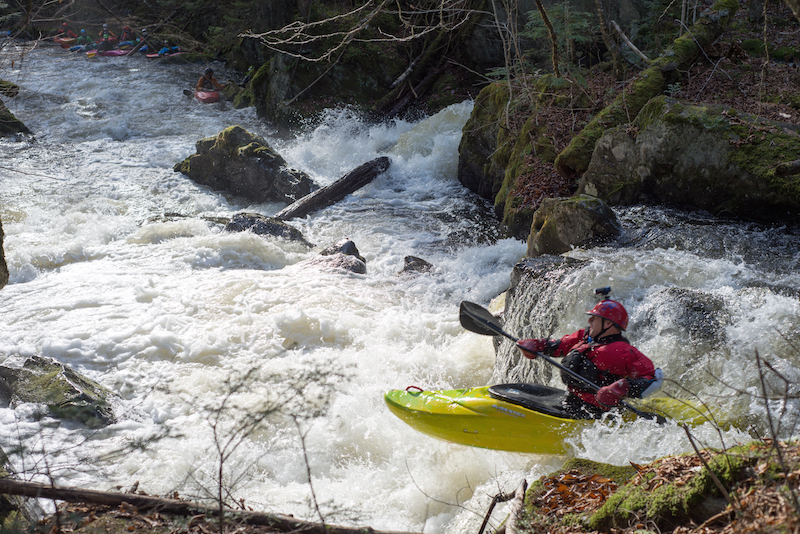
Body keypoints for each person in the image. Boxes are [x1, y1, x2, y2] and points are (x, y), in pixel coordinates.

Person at [517, 297, 662, 419]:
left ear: (608, 323)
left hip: (599, 413)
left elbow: (652, 379)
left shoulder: (624, 352)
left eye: (595, 318)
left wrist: (623, 388)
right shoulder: (585, 337)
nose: (590, 321)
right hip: (572, 401)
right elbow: (559, 346)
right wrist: (538, 345)